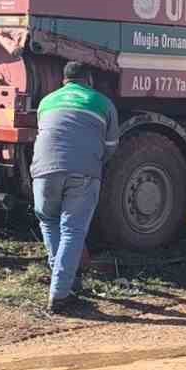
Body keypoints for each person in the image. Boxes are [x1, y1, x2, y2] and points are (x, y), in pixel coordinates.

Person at [32, 61, 119, 313]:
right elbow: (111, 146)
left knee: (49, 222)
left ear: (64, 81)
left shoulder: (47, 101)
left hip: (43, 171)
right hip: (83, 172)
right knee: (72, 230)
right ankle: (59, 295)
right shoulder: (102, 102)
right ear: (88, 80)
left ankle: (66, 281)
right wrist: (95, 162)